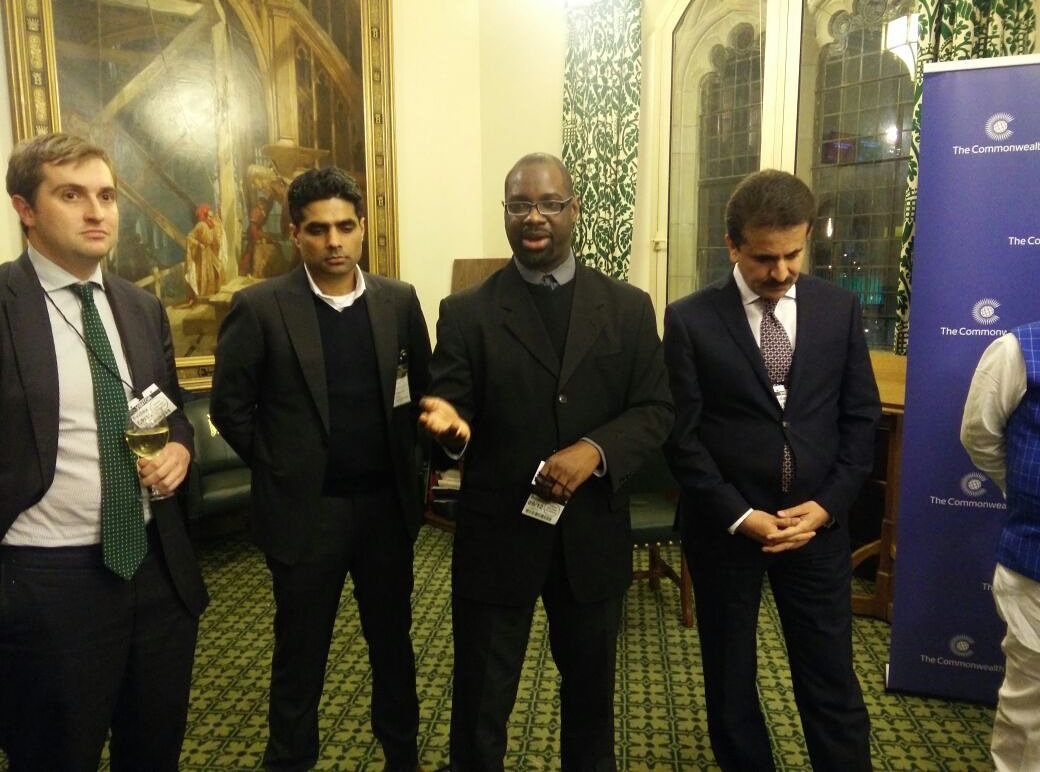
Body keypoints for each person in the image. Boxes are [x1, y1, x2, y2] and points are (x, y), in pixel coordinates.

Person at [420, 152, 673, 770]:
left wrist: (595, 450)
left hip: (590, 536)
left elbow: (656, 409)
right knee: (481, 700)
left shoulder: (628, 307)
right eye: (520, 205)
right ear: (505, 214)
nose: (535, 217)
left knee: (590, 697)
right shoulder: (466, 312)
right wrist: (451, 432)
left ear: (574, 210)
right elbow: (445, 417)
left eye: (549, 204)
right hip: (497, 534)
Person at [210, 166, 431, 772]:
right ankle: (289, 761)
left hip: (386, 512)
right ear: (295, 234)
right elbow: (231, 408)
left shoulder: (398, 301)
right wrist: (283, 466)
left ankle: (402, 757)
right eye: (317, 230)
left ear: (362, 229)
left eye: (345, 227)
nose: (333, 241)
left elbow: (421, 395)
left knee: (393, 647)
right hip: (307, 516)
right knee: (300, 654)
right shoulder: (259, 307)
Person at [0, 132, 208, 769]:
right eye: (71, 195)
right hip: (44, 581)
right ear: (25, 209)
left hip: (153, 570)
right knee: (57, 753)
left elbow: (168, 410)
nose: (97, 212)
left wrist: (179, 448)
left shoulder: (142, 308)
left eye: (107, 195)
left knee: (154, 751)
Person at [663, 169, 879, 771]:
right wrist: (740, 515)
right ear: (731, 245)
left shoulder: (838, 309)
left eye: (793, 254)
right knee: (730, 681)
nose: (781, 272)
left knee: (830, 678)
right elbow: (683, 440)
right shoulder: (690, 320)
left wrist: (829, 504)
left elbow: (859, 421)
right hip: (727, 530)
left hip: (815, 528)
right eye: (764, 258)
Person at [961, 326, 1040, 772]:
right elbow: (980, 436)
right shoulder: (1018, 351)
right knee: (1031, 710)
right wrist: (1028, 494)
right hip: (1035, 566)